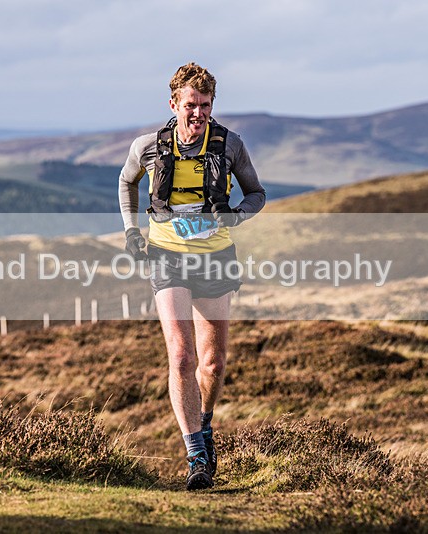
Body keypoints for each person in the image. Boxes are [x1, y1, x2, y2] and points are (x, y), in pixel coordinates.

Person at [118, 62, 266, 490]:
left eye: (204, 105)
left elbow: (257, 194)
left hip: (215, 259)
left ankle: (204, 422)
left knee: (213, 364)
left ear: (212, 105)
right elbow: (126, 182)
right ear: (173, 104)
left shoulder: (229, 145)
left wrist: (235, 217)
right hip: (166, 257)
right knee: (181, 357)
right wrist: (131, 231)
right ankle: (196, 455)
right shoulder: (148, 146)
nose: (197, 113)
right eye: (190, 105)